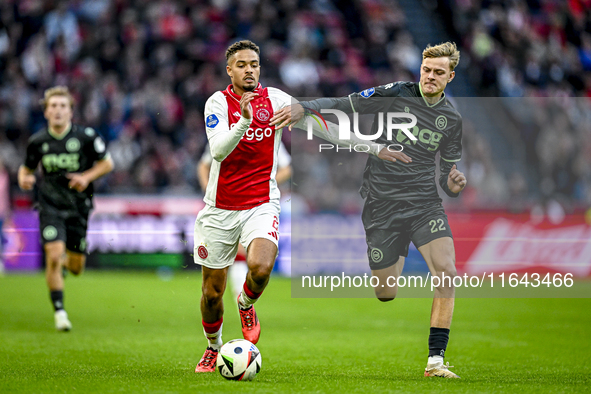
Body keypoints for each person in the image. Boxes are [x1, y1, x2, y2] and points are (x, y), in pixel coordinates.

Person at [194, 40, 402, 373]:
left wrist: (373, 147)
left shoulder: (276, 101)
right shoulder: (217, 103)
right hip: (219, 208)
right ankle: (212, 347)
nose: (250, 69)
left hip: (261, 203)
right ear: (229, 70)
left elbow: (326, 128)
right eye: (242, 64)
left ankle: (246, 303)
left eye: (255, 64)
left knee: (261, 268)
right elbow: (218, 151)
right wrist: (245, 121)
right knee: (211, 294)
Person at [270, 42, 467, 378]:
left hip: (423, 203)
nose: (430, 77)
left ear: (450, 76)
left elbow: (447, 180)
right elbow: (347, 104)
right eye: (426, 70)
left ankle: (435, 361)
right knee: (385, 292)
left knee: (447, 273)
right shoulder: (396, 93)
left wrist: (453, 184)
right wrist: (304, 107)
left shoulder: (451, 120)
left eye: (438, 73)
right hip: (382, 204)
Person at [18, 86, 114, 331]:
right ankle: (60, 312)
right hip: (50, 205)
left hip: (79, 207)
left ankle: (62, 265)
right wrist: (24, 179)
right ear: (46, 112)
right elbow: (26, 168)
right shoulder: (38, 141)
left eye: (63, 106)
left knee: (76, 267)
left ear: (71, 111)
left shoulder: (86, 137)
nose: (58, 110)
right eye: (53, 106)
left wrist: (86, 176)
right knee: (52, 256)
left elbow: (107, 163)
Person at [197, 142, 292, 299]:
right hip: (223, 202)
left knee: (249, 254)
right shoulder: (223, 131)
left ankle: (241, 300)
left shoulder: (268, 129)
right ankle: (239, 300)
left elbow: (287, 168)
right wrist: (209, 189)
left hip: (259, 202)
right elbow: (203, 165)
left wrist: (260, 181)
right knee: (225, 258)